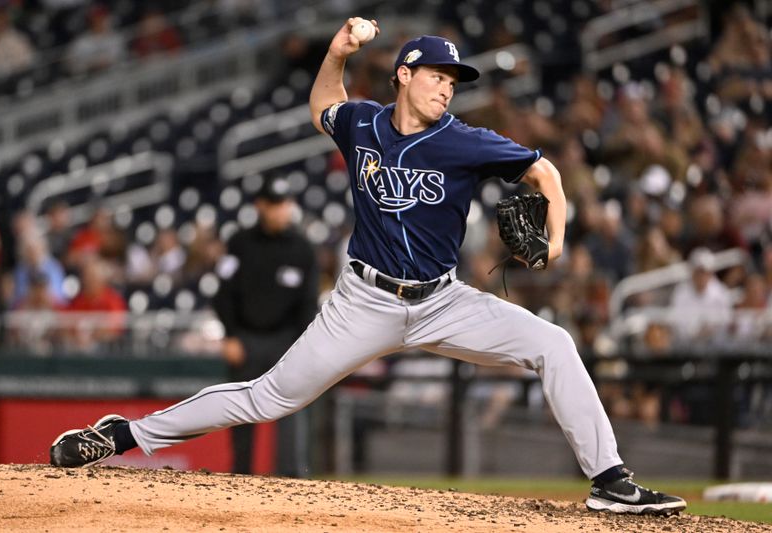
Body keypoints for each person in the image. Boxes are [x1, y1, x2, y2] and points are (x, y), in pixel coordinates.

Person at [49, 19, 686, 515]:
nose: (447, 86)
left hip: (443, 302)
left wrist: (558, 236)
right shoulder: (362, 124)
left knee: (553, 342)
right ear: (405, 75)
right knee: (268, 397)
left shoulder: (464, 139)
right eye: (437, 74)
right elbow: (323, 103)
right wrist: (338, 52)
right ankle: (124, 436)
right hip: (364, 303)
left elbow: (544, 171)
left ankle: (611, 481)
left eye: (453, 80)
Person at [211, 177, 319, 476]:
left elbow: (309, 303)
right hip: (246, 339)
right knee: (240, 413)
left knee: (291, 415)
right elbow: (223, 293)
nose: (279, 211)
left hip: (286, 342)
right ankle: (241, 479)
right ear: (260, 205)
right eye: (273, 204)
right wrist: (230, 335)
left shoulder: (302, 248)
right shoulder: (240, 242)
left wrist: (302, 346)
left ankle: (291, 482)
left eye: (284, 204)